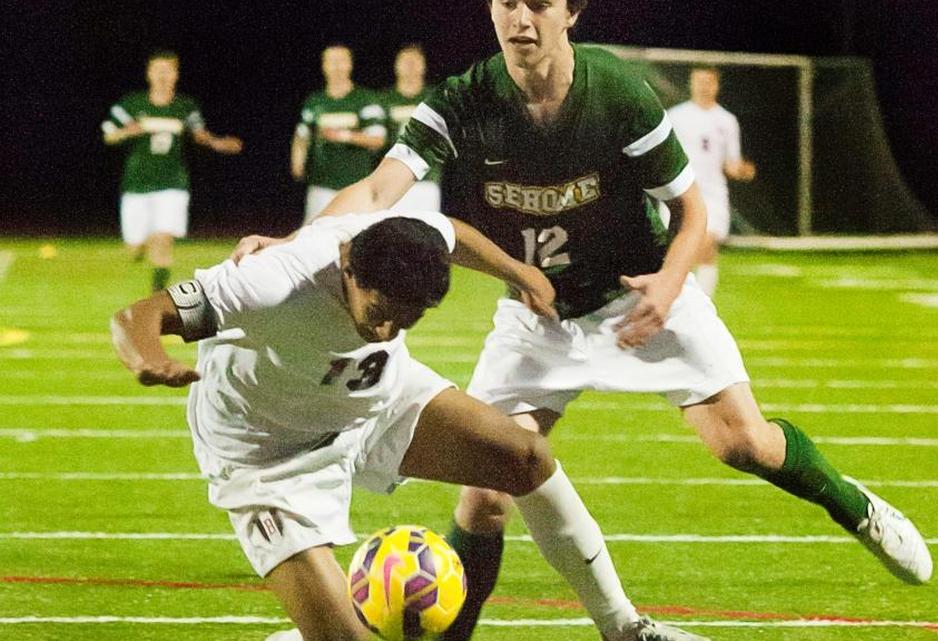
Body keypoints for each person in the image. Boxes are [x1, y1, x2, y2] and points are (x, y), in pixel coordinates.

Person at [233, 1, 933, 639]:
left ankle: (856, 505)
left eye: (538, 3)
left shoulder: (619, 94)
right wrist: (294, 243)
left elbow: (694, 214)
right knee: (484, 496)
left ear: (571, 12)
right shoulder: (464, 99)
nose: (520, 18)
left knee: (743, 442)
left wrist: (669, 282)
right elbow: (381, 188)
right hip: (537, 317)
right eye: (506, 2)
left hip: (638, 295)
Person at [112, 210, 696, 641]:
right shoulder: (270, 281)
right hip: (268, 459)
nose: (389, 329)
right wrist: (149, 358)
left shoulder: (401, 237)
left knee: (525, 458)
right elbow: (138, 315)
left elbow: (450, 231)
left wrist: (518, 271)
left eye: (407, 319)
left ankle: (624, 628)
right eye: (378, 312)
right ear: (346, 265)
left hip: (374, 403)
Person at [102, 50, 243, 292]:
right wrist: (128, 132)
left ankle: (156, 299)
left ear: (176, 75)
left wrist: (219, 143)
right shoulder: (132, 105)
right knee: (134, 247)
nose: (162, 76)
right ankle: (140, 248)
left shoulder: (185, 107)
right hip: (136, 184)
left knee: (163, 239)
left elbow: (200, 135)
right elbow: (109, 136)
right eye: (157, 70)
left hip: (172, 184)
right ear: (149, 73)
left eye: (167, 70)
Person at [664, 66, 756, 296]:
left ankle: (703, 303)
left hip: (713, 193)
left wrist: (743, 170)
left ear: (716, 85)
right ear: (691, 83)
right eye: (699, 81)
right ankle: (677, 301)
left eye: (708, 82)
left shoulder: (726, 120)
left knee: (706, 246)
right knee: (676, 251)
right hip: (679, 191)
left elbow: (731, 165)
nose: (703, 86)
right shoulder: (675, 116)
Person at [292, 45, 387, 222]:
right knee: (314, 236)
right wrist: (297, 161)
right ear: (323, 65)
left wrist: (344, 136)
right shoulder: (315, 101)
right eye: (331, 61)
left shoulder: (365, 99)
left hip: (355, 185)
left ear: (350, 65)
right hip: (321, 183)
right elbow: (302, 135)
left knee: (355, 240)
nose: (336, 66)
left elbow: (378, 139)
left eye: (341, 61)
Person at [377, 43, 443, 213]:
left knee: (425, 237)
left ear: (424, 66)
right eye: (405, 61)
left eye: (415, 61)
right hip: (392, 182)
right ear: (396, 65)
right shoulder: (383, 99)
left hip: (426, 181)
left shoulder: (436, 97)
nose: (410, 66)